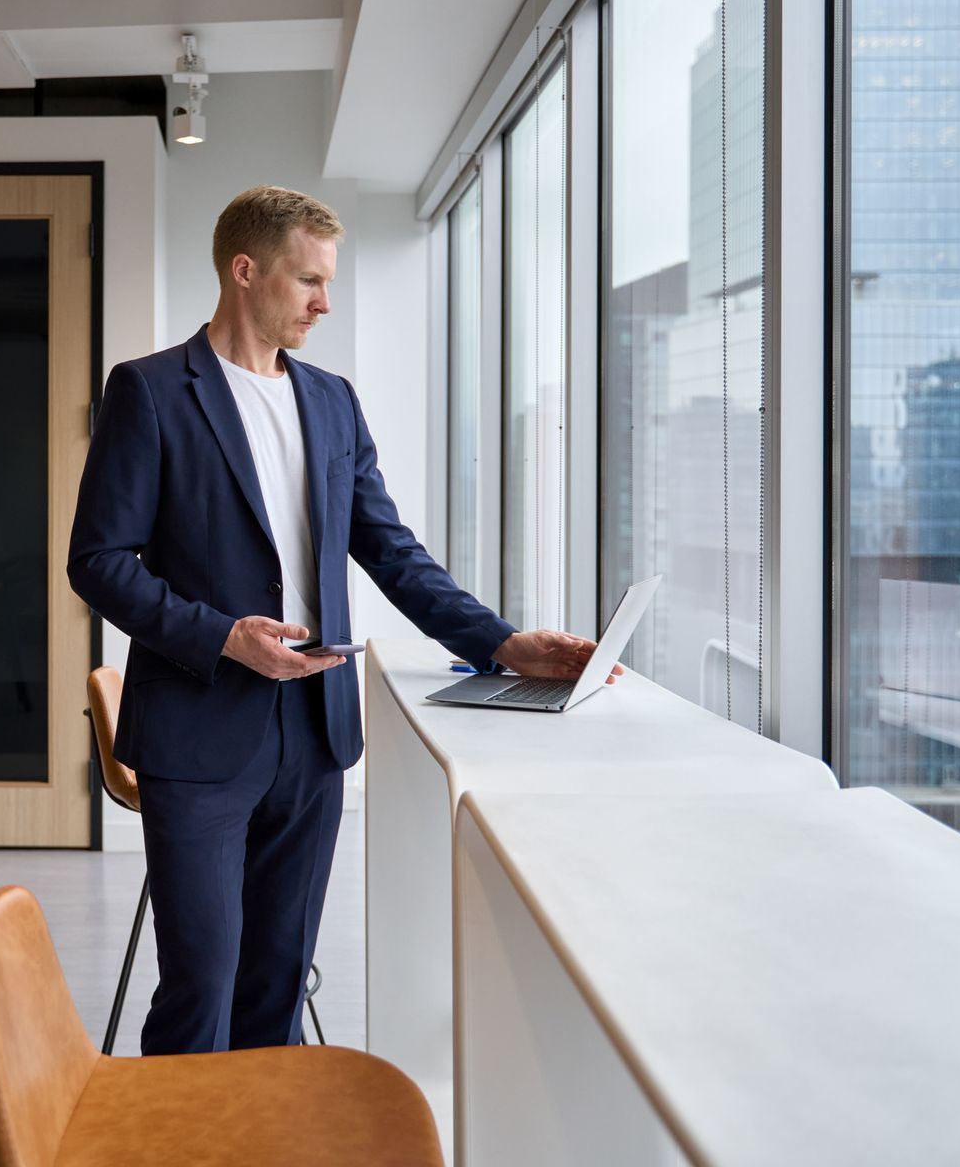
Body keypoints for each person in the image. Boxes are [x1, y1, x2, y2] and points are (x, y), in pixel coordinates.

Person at [68, 184, 611, 1055]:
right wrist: (222, 636)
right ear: (246, 272)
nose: (325, 301)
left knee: (278, 977)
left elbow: (390, 549)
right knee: (202, 981)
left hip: (313, 732)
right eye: (308, 280)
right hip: (199, 735)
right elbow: (96, 562)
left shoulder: (332, 400)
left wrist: (502, 643)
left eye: (329, 281)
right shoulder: (152, 392)